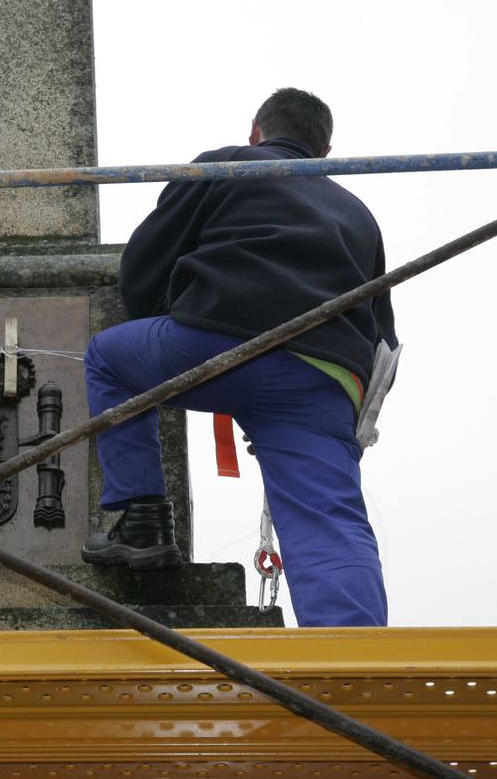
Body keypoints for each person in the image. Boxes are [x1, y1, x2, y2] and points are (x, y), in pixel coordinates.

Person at [81, 88, 397, 627]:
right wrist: (344, 424)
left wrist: (164, 317)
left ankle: (144, 524)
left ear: (257, 130)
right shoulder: (357, 212)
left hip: (224, 339)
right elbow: (383, 332)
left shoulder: (228, 164)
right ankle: (354, 661)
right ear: (324, 153)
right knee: (328, 520)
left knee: (108, 358)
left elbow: (146, 262)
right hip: (326, 377)